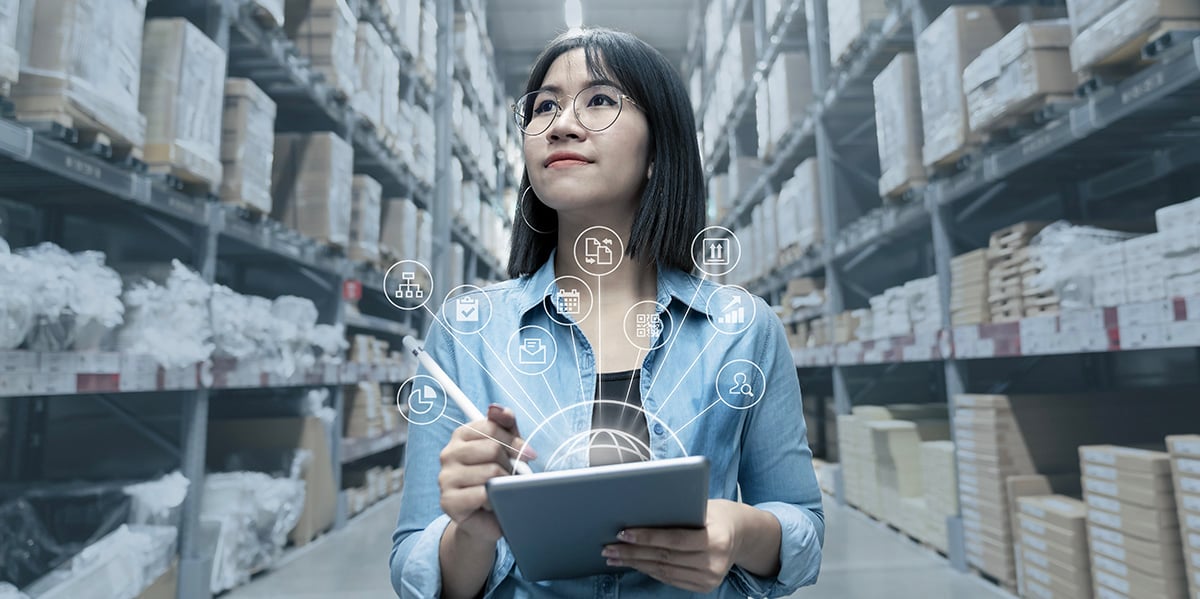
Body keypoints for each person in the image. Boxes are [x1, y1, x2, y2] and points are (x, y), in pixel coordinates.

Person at [390, 28, 823, 598]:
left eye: (599, 100)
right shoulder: (465, 332)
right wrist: (470, 531)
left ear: (656, 151)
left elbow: (803, 529)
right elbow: (412, 570)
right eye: (544, 106)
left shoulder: (741, 330)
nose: (561, 124)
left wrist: (740, 531)